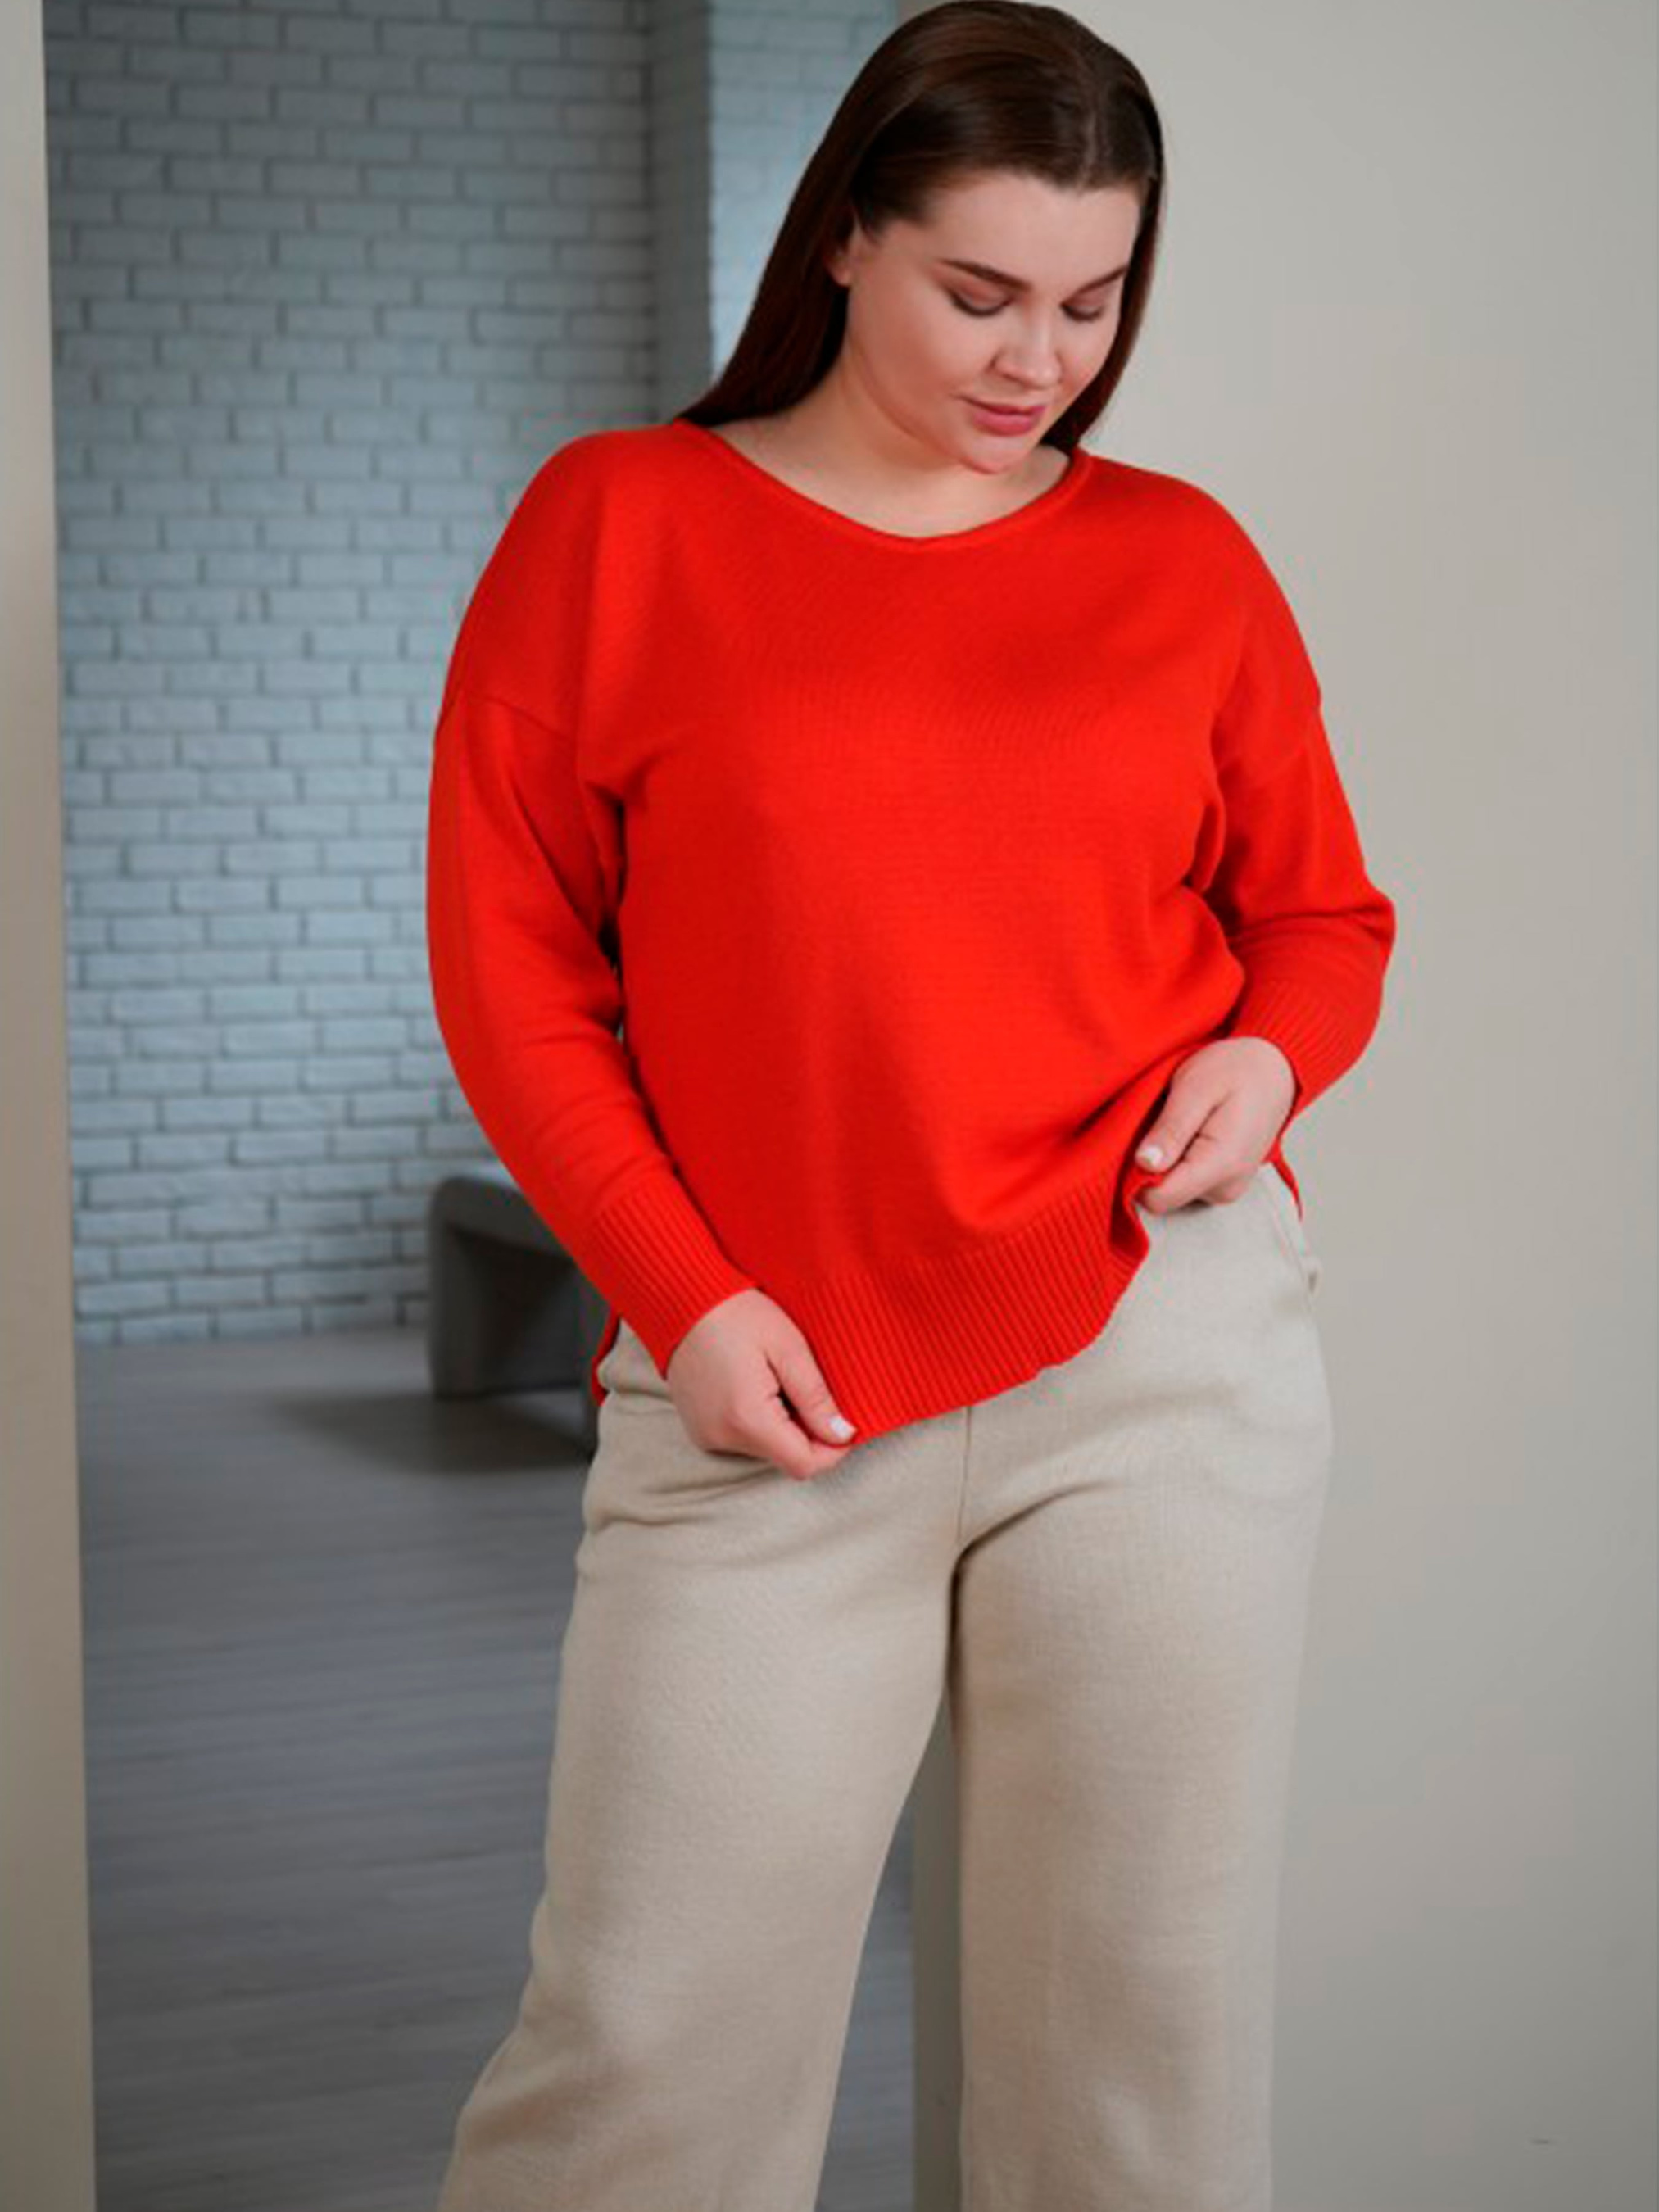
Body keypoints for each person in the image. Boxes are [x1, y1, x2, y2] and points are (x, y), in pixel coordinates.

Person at [424, 4, 1398, 2207]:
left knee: (1134, 2071)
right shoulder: (621, 522)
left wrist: (1265, 1057)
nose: (1039, 358)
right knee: (647, 2063)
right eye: (981, 290)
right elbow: (516, 977)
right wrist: (680, 1296)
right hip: (766, 1369)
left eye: (1092, 301)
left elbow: (1321, 917)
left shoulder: (1183, 559)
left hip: (1163, 1354)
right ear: (847, 233)